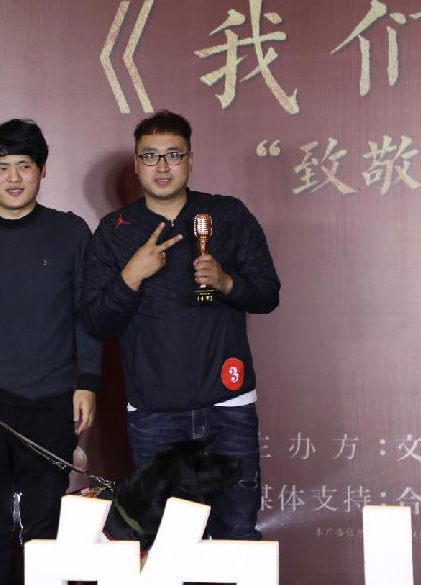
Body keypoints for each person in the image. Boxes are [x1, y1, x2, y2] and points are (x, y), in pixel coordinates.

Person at [81, 110, 280, 540]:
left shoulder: (227, 215)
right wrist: (131, 276)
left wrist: (227, 282)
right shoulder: (114, 231)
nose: (162, 166)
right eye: (150, 156)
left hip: (228, 402)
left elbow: (268, 294)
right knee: (165, 544)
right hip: (154, 410)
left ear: (190, 160)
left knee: (237, 532)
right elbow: (96, 320)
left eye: (173, 154)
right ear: (136, 164)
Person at [0, 118, 102, 584]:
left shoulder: (70, 232)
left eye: (24, 166)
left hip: (50, 402)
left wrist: (88, 381)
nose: (13, 177)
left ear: (42, 170)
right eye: (2, 167)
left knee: (44, 532)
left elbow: (86, 314)